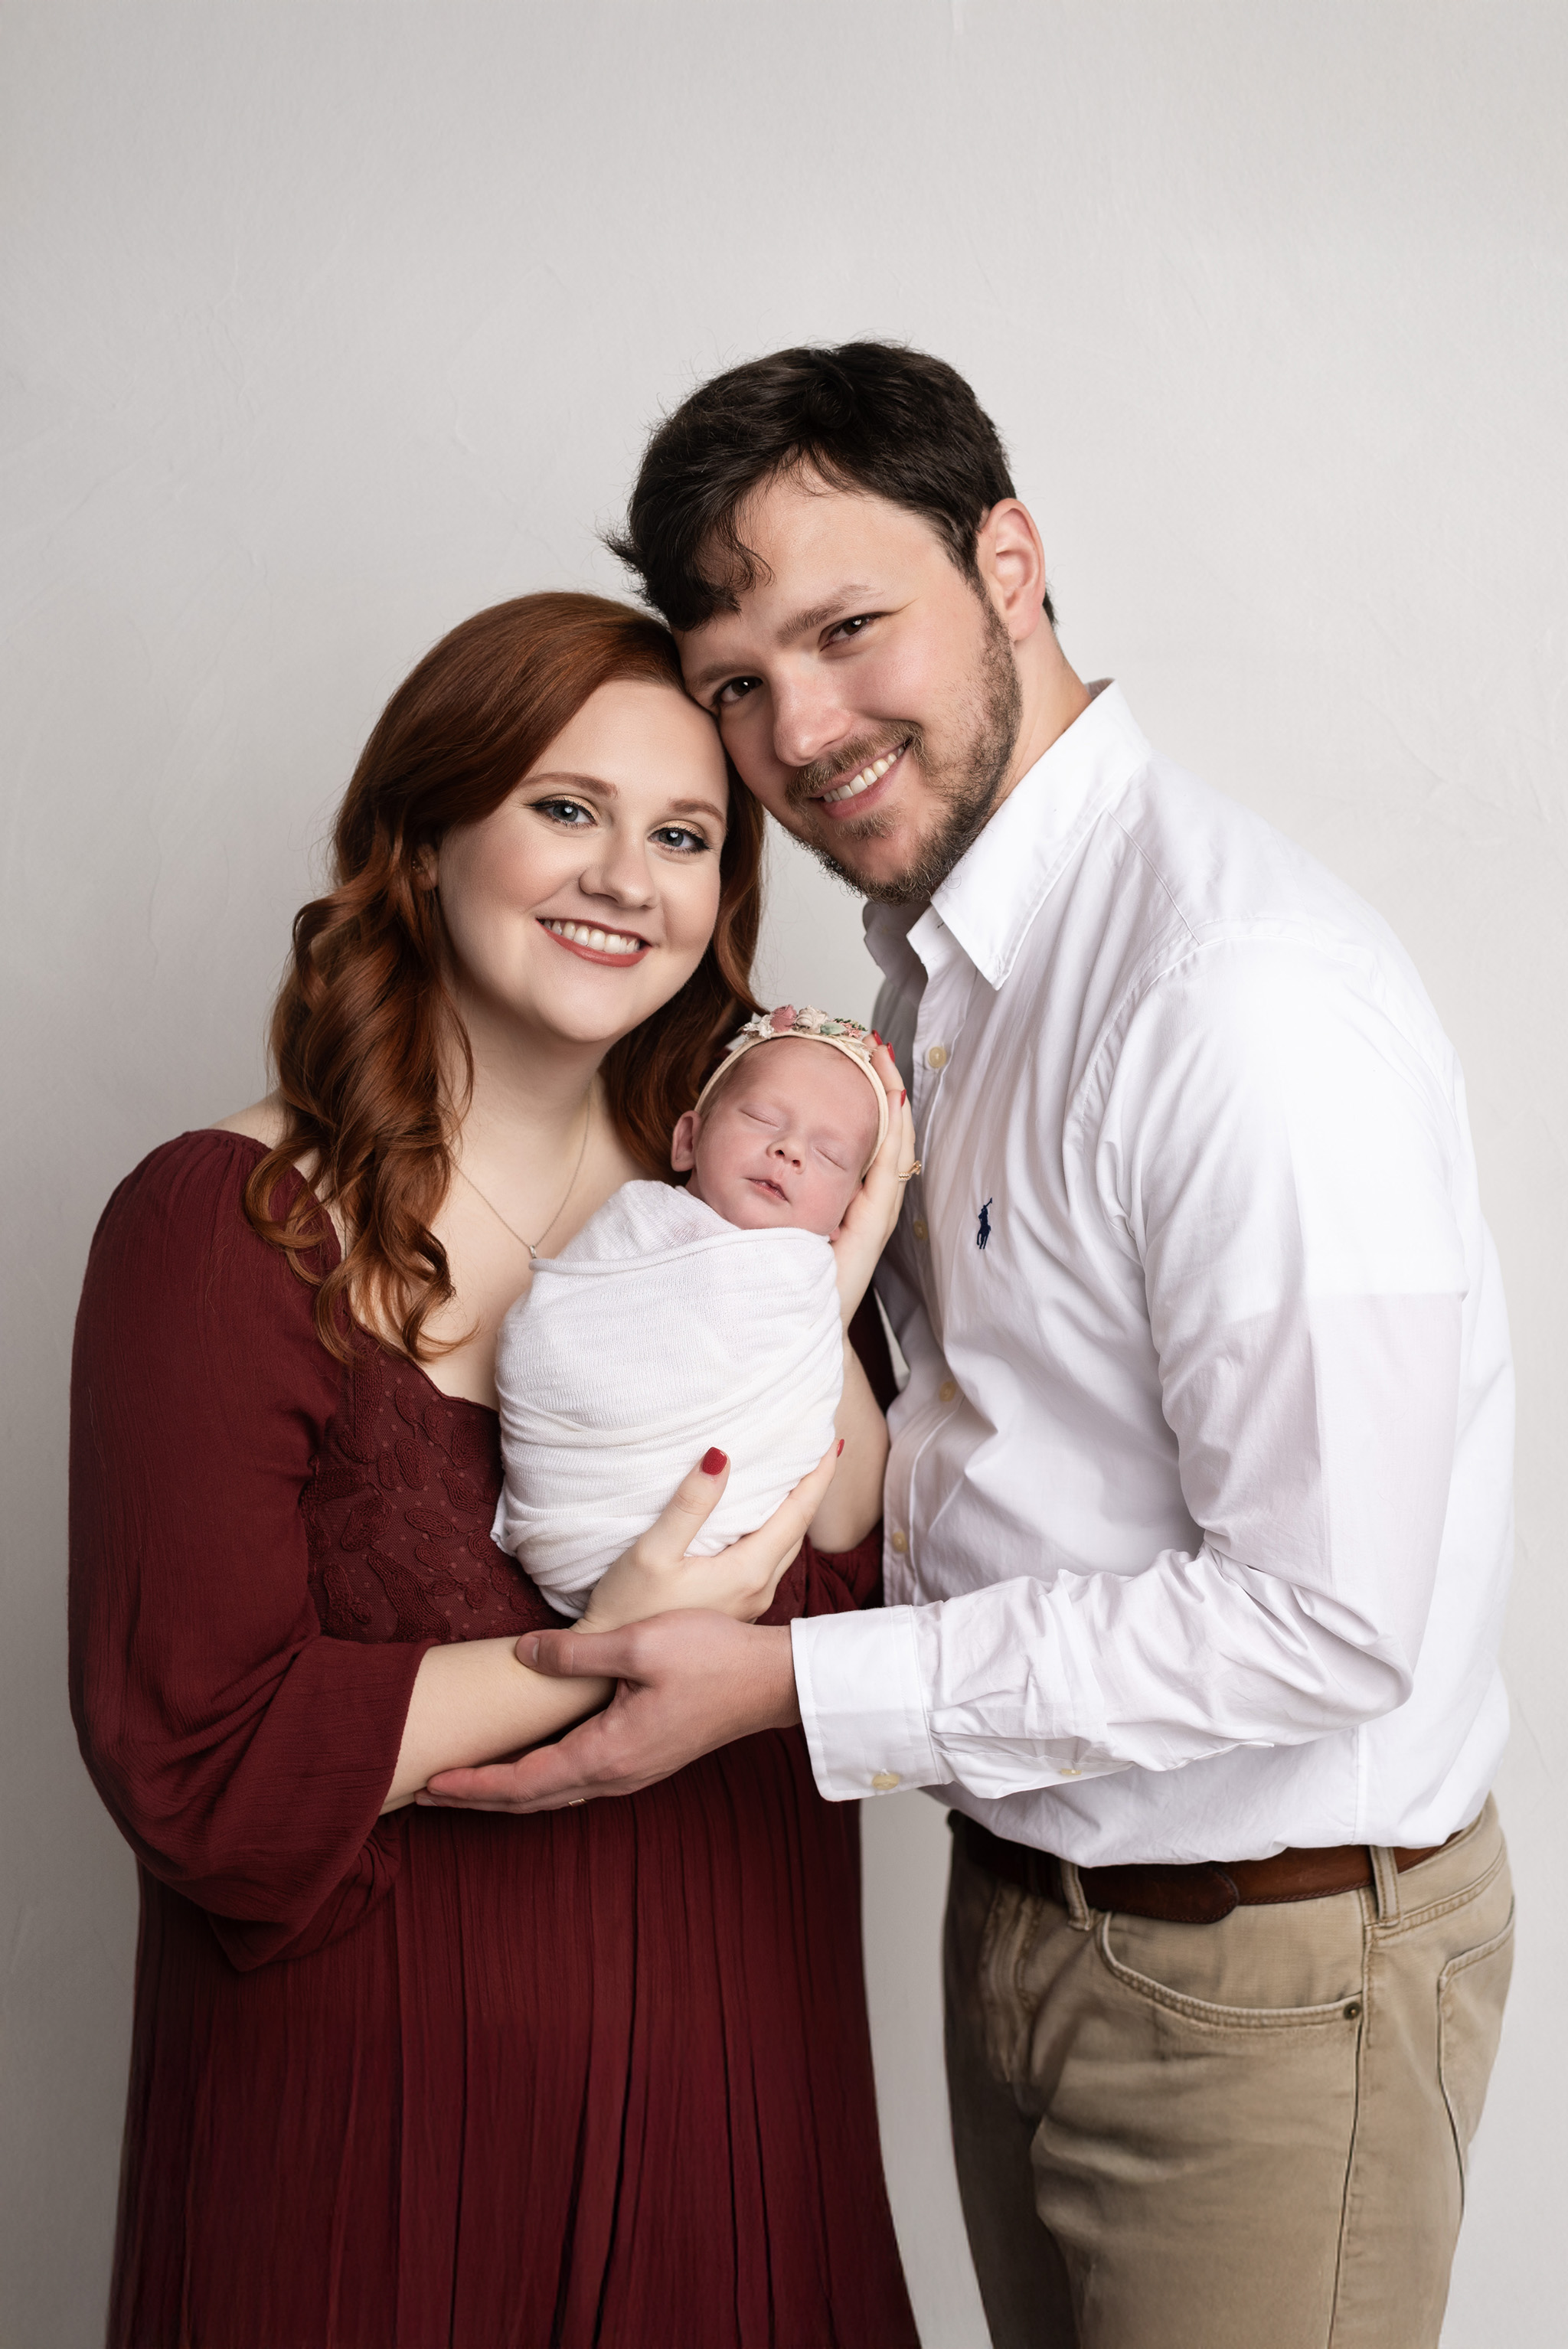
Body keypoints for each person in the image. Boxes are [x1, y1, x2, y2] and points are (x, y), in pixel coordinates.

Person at [427, 351, 1517, 2349]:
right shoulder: (929, 971)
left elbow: (1327, 1619)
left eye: (850, 629)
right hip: (1025, 1898)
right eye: (738, 679)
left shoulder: (1233, 1000)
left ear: (1011, 562)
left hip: (1260, 1976)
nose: (801, 730)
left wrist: (782, 1684)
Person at [69, 590, 921, 2348]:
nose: (627, 876)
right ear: (424, 832)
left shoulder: (760, 1236)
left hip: (735, 2137)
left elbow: (863, 1591)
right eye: (564, 808)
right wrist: (592, 1642)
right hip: (368, 2172)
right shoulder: (218, 1230)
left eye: (683, 834)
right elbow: (201, 1759)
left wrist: (841, 1254)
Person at [492, 1008, 893, 1617]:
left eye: (831, 1156)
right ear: (687, 1140)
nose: (788, 1150)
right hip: (576, 1508)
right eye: (761, 1118)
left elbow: (840, 1521)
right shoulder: (640, 1218)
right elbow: (547, 1337)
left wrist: (848, 1272)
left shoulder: (812, 1284)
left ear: (844, 1216)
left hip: (715, 1565)